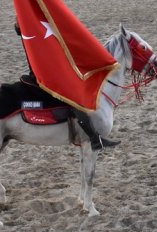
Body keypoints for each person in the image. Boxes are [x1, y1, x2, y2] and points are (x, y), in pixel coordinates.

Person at [13, 23, 120, 151]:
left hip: (48, 73)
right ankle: (94, 138)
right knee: (75, 98)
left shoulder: (32, 33)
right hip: (43, 78)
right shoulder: (30, 36)